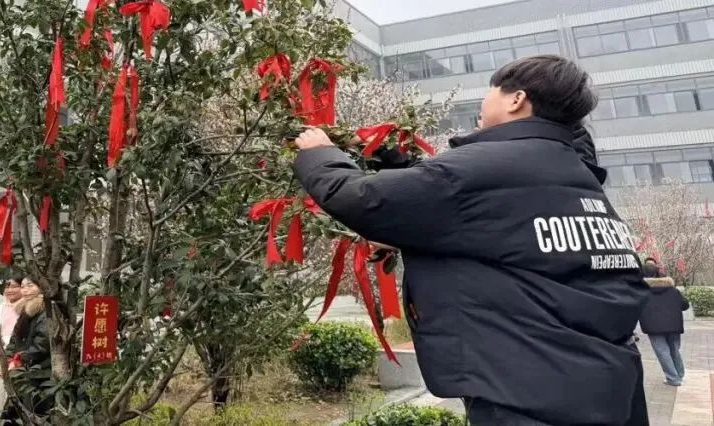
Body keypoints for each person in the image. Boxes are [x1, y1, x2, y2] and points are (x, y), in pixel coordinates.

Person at [293, 55, 650, 426]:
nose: (483, 104)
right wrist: (388, 160)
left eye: (490, 92)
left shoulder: (488, 164)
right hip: (605, 385)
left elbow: (361, 198)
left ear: (516, 99)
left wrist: (319, 154)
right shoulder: (574, 172)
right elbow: (506, 240)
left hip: (526, 396)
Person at [0, 278, 52, 424]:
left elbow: (43, 343)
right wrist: (8, 357)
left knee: (36, 409)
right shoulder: (25, 309)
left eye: (30, 285)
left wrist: (21, 358)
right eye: (23, 287)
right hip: (24, 368)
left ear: (42, 287)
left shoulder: (46, 310)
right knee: (21, 406)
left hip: (41, 370)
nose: (26, 290)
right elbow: (15, 338)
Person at [639, 261, 690, 386]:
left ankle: (673, 378)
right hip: (674, 324)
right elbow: (685, 305)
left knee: (662, 352)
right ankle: (679, 375)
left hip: (653, 326)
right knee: (674, 350)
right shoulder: (672, 289)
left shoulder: (642, 291)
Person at [0, 277, 22, 414]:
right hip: (0, 357)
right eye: (7, 287)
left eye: (14, 286)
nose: (9, 290)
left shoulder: (28, 309)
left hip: (18, 358)